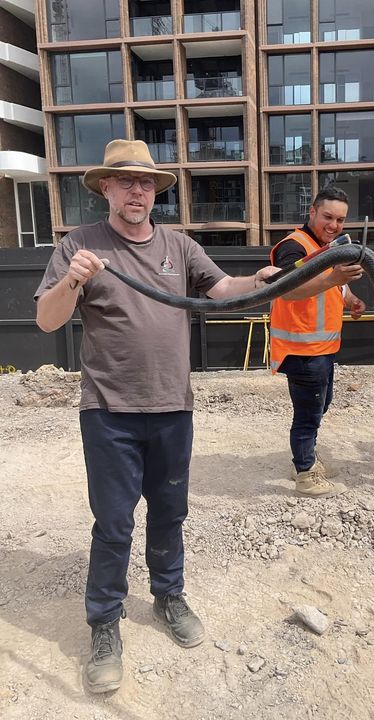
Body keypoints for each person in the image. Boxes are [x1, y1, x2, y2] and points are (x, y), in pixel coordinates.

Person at [34, 139, 278, 694]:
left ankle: (169, 597)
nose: (137, 190)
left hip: (173, 407)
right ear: (106, 189)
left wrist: (258, 282)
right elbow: (48, 322)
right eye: (125, 181)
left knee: (169, 513)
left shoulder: (178, 245)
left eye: (145, 182)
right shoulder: (81, 245)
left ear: (154, 192)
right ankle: (104, 624)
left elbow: (221, 289)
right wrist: (73, 278)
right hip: (110, 411)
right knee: (114, 523)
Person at [269, 186, 365, 499]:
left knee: (320, 406)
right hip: (301, 350)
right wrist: (336, 278)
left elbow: (332, 288)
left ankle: (306, 455)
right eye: (328, 216)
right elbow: (287, 289)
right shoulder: (294, 246)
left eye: (340, 219)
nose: (334, 225)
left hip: (322, 349)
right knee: (308, 415)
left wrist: (350, 298)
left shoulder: (329, 246)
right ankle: (305, 472)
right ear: (312, 212)